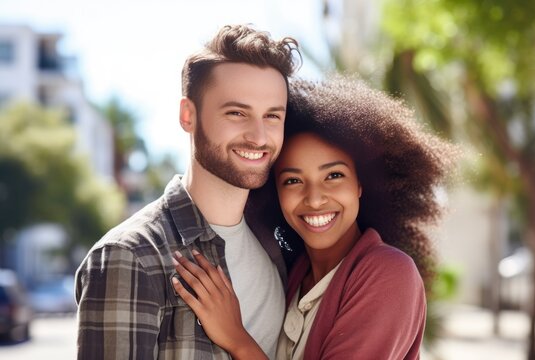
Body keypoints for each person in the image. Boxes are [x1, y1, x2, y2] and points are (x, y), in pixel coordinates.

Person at [171, 76, 458, 359]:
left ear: (360, 184)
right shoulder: (292, 276)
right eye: (293, 181)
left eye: (334, 176)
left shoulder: (390, 273)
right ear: (276, 193)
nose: (315, 199)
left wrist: (236, 338)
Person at [75, 24, 301, 360]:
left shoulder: (276, 242)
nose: (258, 136)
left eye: (272, 116)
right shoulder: (132, 257)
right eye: (237, 113)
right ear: (187, 115)